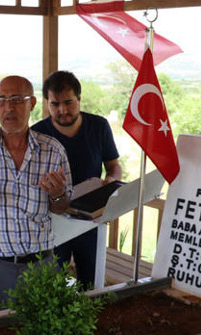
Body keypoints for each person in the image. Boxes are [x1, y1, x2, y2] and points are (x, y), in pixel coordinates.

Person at [0, 75, 72, 316]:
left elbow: (62, 206)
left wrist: (58, 195)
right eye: (2, 100)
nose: (8, 107)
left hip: (40, 266)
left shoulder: (53, 151)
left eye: (17, 99)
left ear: (33, 103)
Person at [32, 70, 123, 289]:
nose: (62, 110)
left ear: (80, 99)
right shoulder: (36, 134)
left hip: (90, 220)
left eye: (68, 102)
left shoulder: (98, 126)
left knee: (91, 283)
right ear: (46, 103)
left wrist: (112, 180)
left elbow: (114, 165)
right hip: (52, 221)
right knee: (53, 286)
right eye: (55, 104)